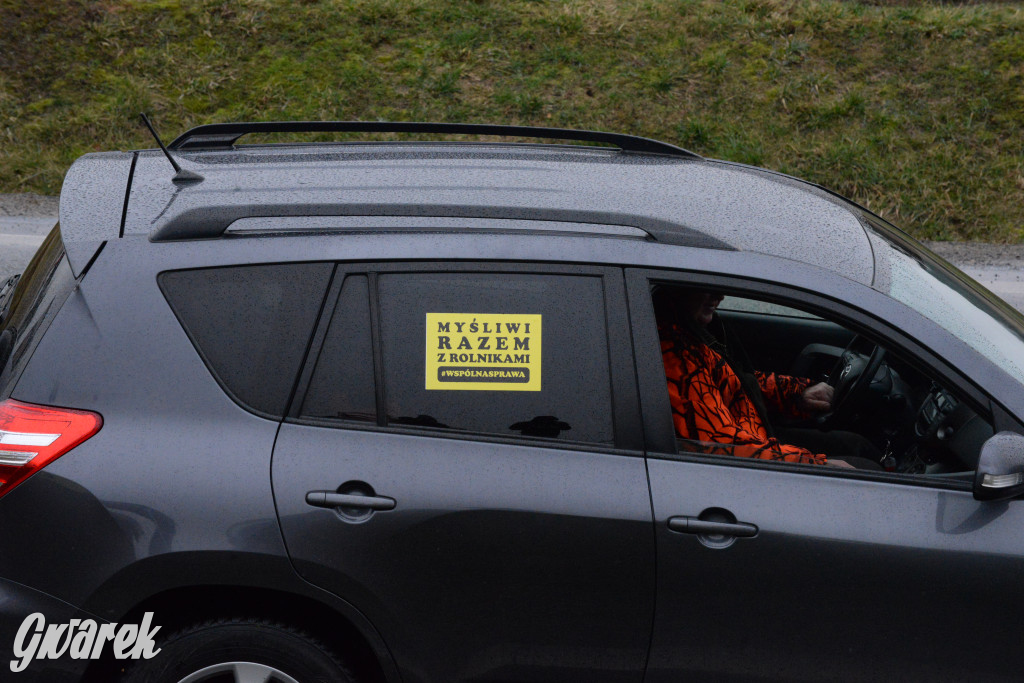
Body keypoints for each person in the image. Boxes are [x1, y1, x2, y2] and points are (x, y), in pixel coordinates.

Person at [658, 289, 882, 469]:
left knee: (858, 446)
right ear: (679, 290)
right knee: (866, 469)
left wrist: (798, 394)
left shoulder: (693, 331)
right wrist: (817, 466)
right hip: (744, 462)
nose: (720, 296)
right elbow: (719, 445)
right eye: (707, 287)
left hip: (753, 435)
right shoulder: (673, 357)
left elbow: (738, 382)